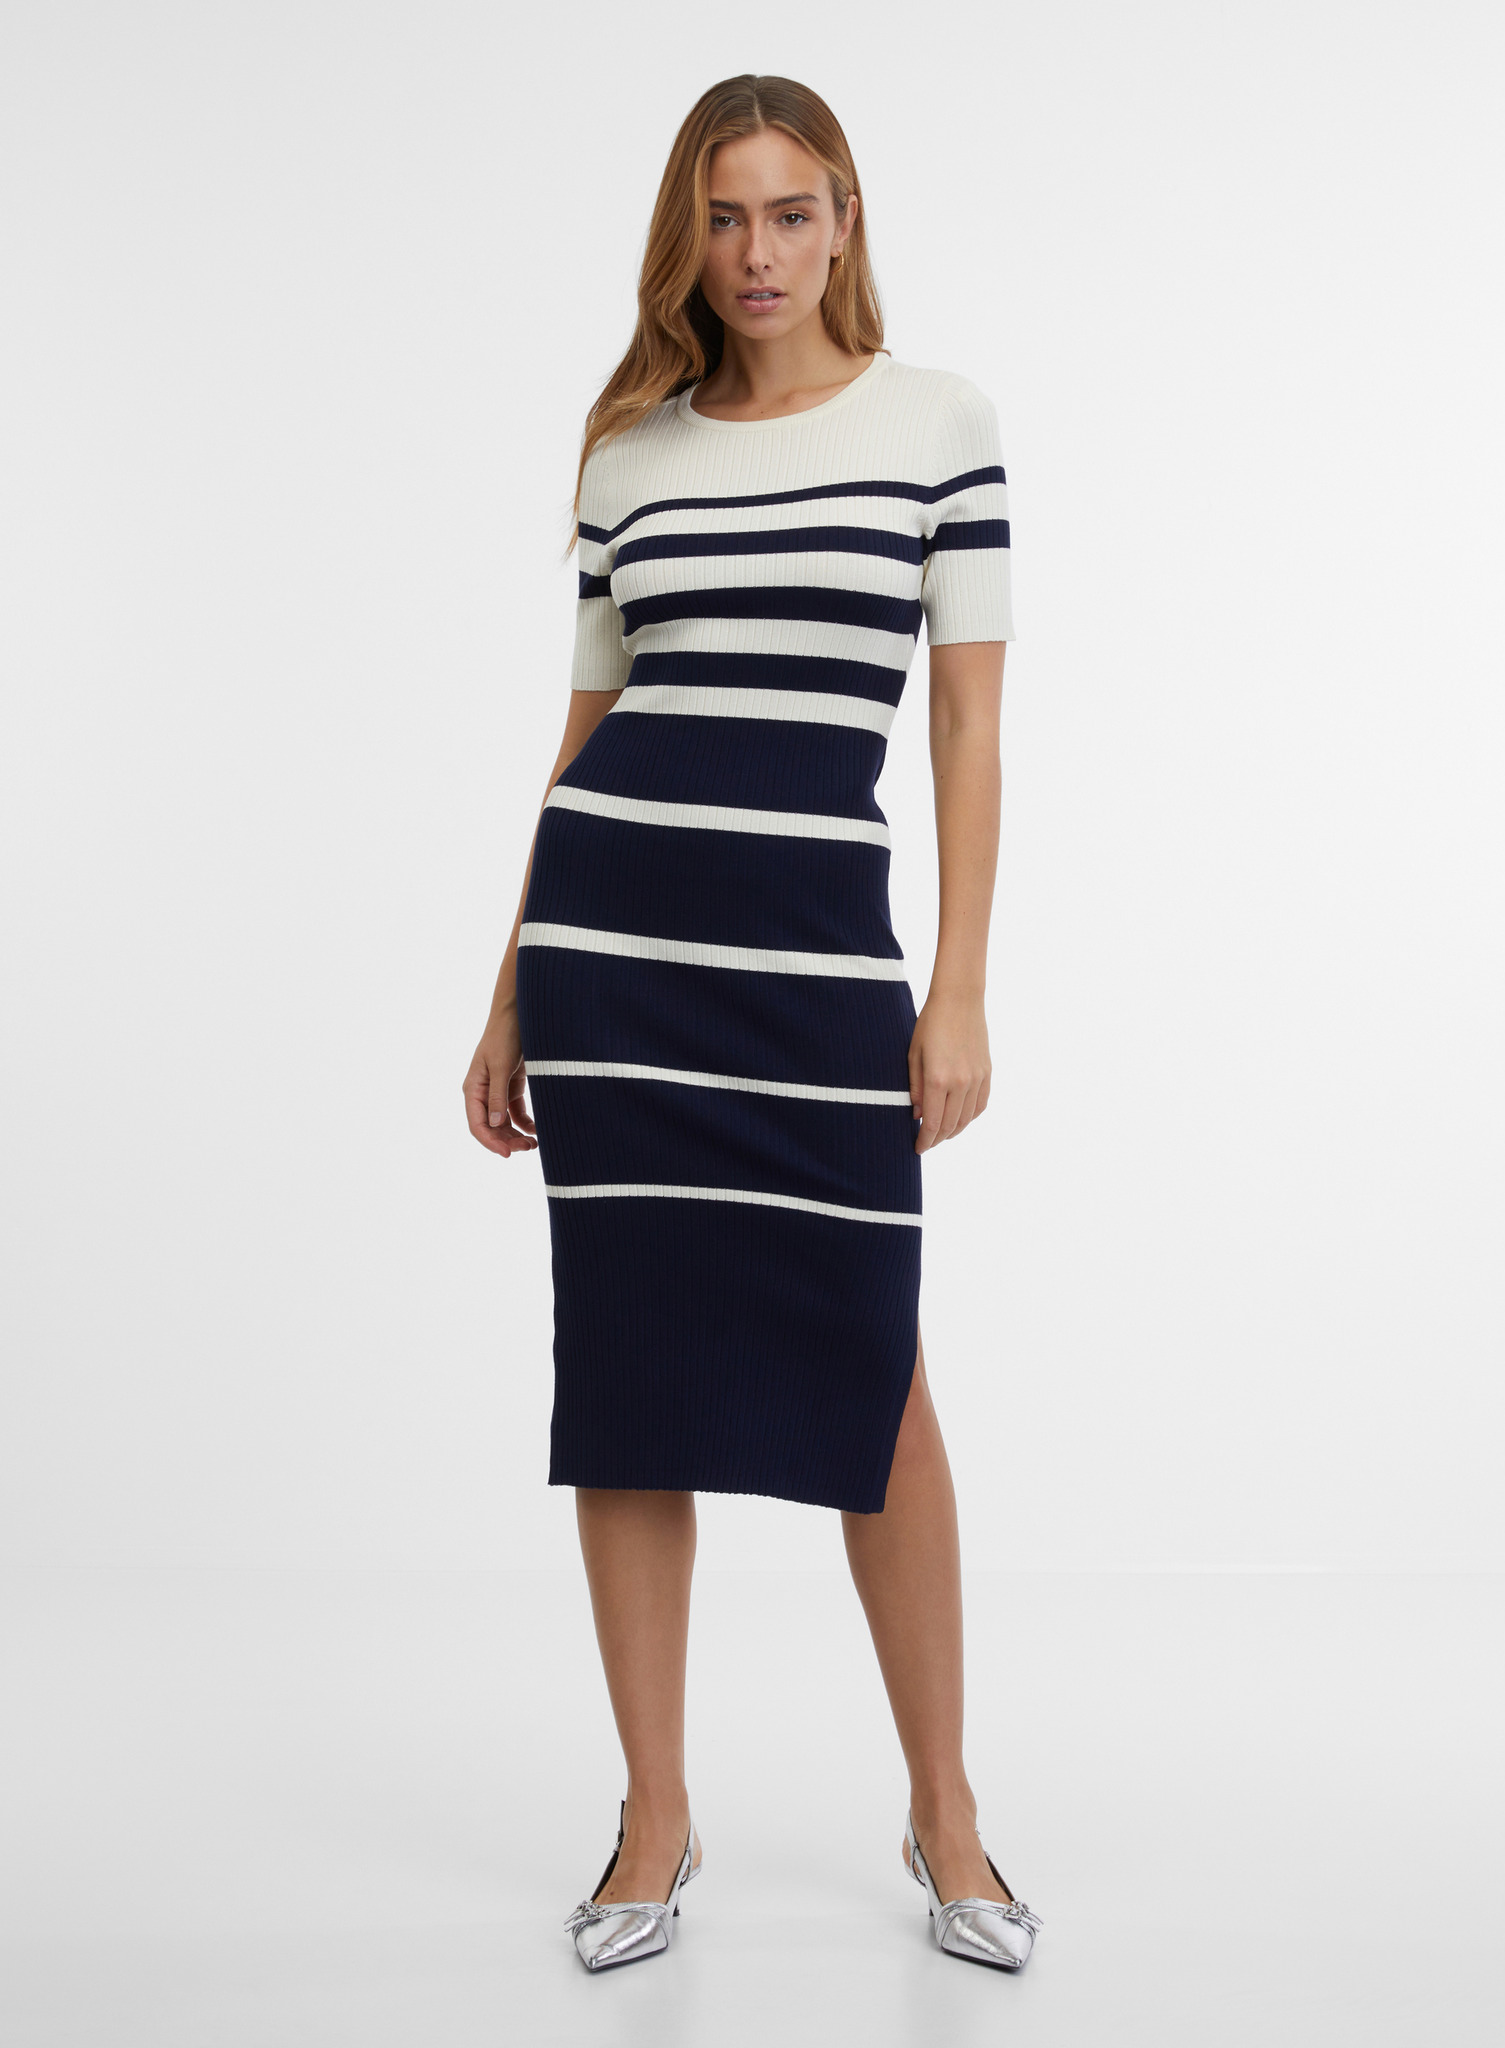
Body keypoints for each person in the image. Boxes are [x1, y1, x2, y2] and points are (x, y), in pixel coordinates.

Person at [463, 73, 1040, 1975]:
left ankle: (948, 1812)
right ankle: (655, 1816)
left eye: (792, 212)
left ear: (845, 217)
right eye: (725, 218)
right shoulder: (630, 453)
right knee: (628, 1384)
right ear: (687, 237)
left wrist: (958, 984)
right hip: (618, 965)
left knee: (877, 1376)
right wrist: (511, 987)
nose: (759, 252)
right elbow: (580, 736)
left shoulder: (938, 428)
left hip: (812, 972)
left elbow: (967, 722)